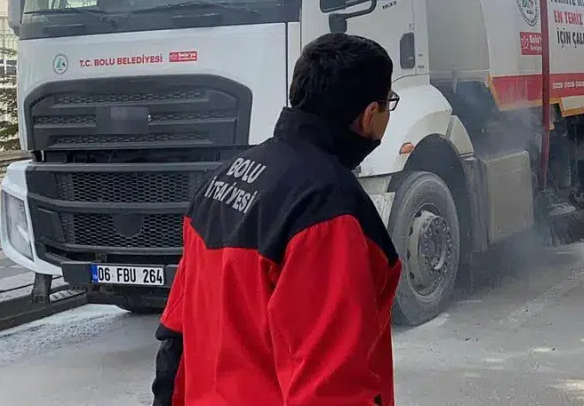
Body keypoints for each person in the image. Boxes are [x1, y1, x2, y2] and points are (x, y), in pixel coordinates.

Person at [152, 33, 402, 405]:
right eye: (388, 104)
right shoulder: (328, 210)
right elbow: (330, 390)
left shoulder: (219, 180)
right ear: (370, 114)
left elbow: (175, 335)